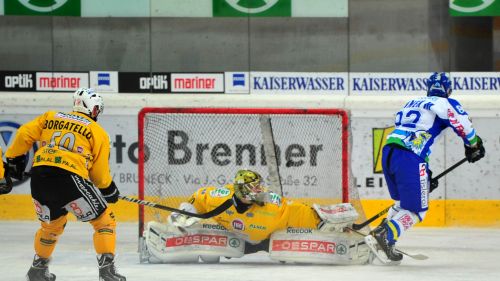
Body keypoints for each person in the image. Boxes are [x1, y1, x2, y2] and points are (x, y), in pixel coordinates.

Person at [3, 88, 126, 281]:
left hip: (40, 176)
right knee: (104, 220)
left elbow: (24, 133)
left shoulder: (50, 116)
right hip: (69, 177)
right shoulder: (97, 132)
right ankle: (107, 272)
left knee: (51, 226)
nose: (97, 114)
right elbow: (99, 175)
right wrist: (109, 190)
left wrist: (11, 159)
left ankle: (37, 270)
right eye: (97, 110)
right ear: (92, 109)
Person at [368, 72, 485, 262]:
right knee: (417, 210)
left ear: (428, 88)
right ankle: (386, 234)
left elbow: (417, 135)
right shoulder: (446, 103)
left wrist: (426, 173)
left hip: (389, 152)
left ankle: (380, 235)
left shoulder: (413, 102)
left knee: (403, 204)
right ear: (448, 90)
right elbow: (463, 125)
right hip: (410, 157)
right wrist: (474, 145)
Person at [144, 169, 366, 264]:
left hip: (268, 240)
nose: (260, 190)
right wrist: (183, 213)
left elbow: (296, 211)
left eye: (260, 186)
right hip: (238, 239)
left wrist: (323, 221)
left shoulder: (272, 206)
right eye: (254, 187)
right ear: (242, 191)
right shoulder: (219, 197)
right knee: (210, 256)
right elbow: (199, 198)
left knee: (286, 256)